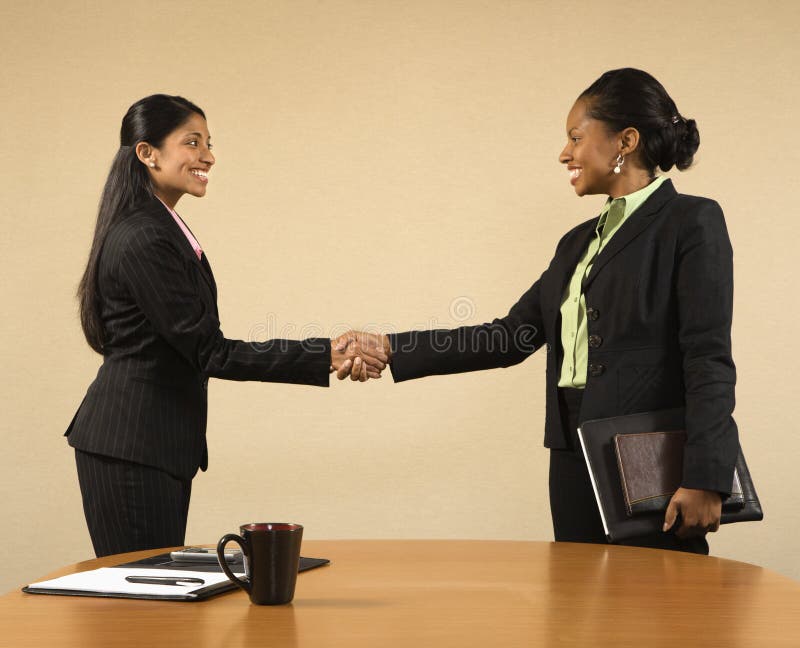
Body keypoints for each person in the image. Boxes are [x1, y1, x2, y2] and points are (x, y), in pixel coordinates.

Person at [344, 68, 739, 554]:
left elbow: (707, 357)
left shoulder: (691, 222)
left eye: (576, 137)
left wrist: (706, 475)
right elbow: (509, 337)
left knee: (654, 615)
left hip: (649, 459)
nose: (564, 153)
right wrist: (389, 347)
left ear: (626, 141)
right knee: (578, 612)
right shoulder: (576, 244)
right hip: (572, 455)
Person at [67, 94, 387, 557]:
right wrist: (325, 354)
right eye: (192, 142)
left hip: (153, 444)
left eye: (209, 143)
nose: (208, 156)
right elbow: (209, 351)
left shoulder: (162, 226)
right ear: (147, 153)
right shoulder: (144, 235)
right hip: (132, 445)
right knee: (143, 605)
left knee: (155, 599)